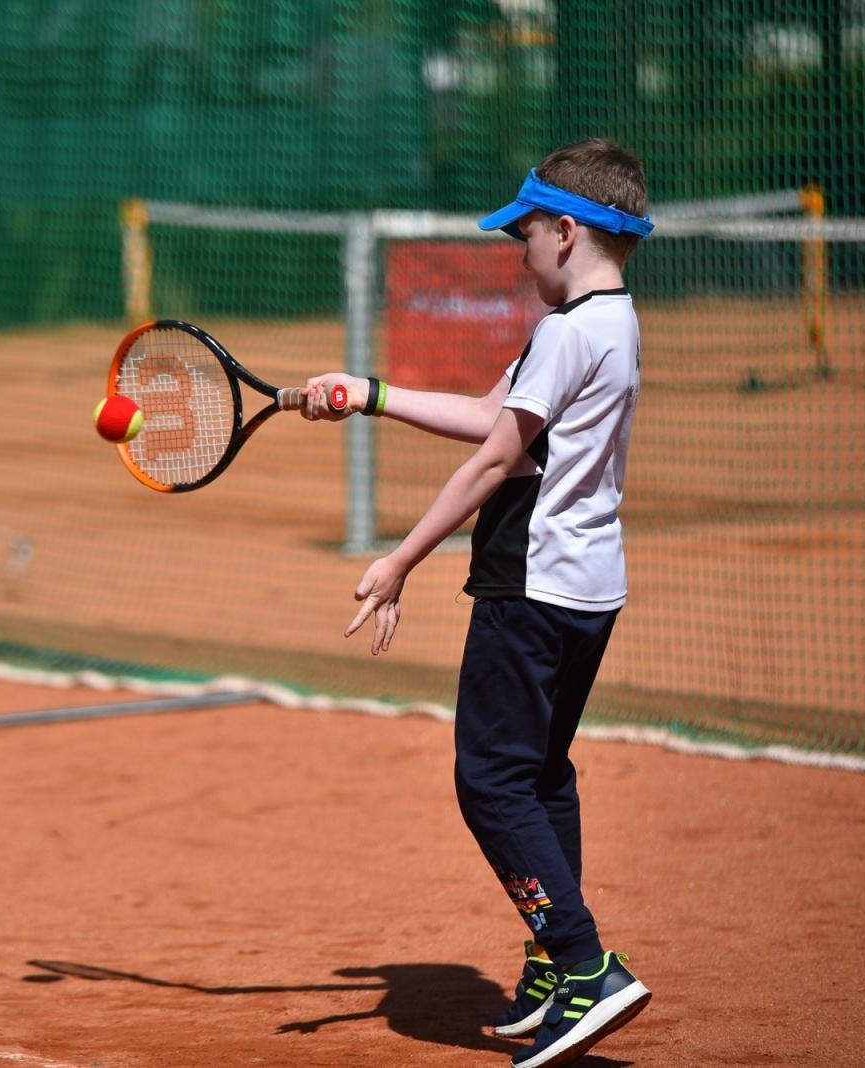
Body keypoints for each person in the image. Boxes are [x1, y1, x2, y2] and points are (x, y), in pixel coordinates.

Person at [300, 138, 653, 1068]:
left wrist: (401, 560)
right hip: (587, 589)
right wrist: (366, 392)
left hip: (528, 588)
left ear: (567, 232)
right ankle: (551, 965)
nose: (517, 250)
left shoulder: (569, 332)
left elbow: (497, 458)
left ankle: (585, 967)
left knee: (489, 780)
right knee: (541, 774)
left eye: (525, 234)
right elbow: (490, 413)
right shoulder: (607, 323)